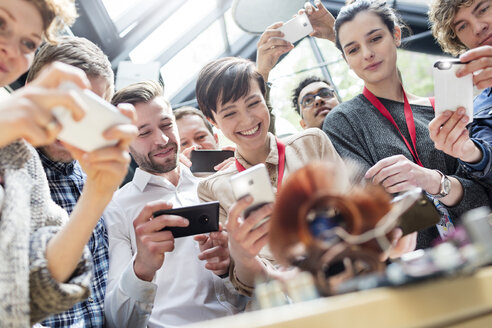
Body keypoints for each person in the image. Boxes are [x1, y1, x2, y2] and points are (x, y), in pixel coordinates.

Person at [195, 56, 415, 297]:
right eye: (229, 113)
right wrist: (243, 256)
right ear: (211, 119)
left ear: (264, 98)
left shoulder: (311, 143)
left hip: (355, 283)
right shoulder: (212, 188)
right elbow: (247, 282)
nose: (247, 119)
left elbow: (357, 215)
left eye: (253, 103)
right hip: (289, 301)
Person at [0, 0, 136, 326]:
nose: (10, 50)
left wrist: (98, 193)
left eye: (29, 42)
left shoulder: (23, 165)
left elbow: (33, 294)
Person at [314, 0, 490, 247]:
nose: (367, 54)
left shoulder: (442, 110)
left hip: (479, 250)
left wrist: (435, 182)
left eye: (375, 38)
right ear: (346, 61)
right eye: (353, 50)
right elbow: (371, 214)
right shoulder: (343, 122)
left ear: (396, 34)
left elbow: (482, 197)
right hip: (414, 269)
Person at [104, 81, 246, 328]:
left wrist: (230, 267)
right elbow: (118, 321)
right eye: (144, 133)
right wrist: (142, 268)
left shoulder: (219, 180)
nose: (161, 140)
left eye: (166, 125)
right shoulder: (115, 208)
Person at [25, 36, 114, 327]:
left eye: (91, 108)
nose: (72, 120)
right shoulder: (9, 178)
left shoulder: (95, 177)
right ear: (31, 90)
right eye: (64, 101)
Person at [428, 0, 492, 183]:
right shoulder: (478, 110)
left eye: (483, 9)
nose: (478, 28)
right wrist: (471, 153)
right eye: (462, 26)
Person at [256, 23, 340, 129]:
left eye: (325, 93)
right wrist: (262, 72)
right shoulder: (299, 145)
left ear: (340, 103)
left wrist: (335, 34)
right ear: (303, 124)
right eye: (308, 100)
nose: (318, 99)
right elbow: (266, 140)